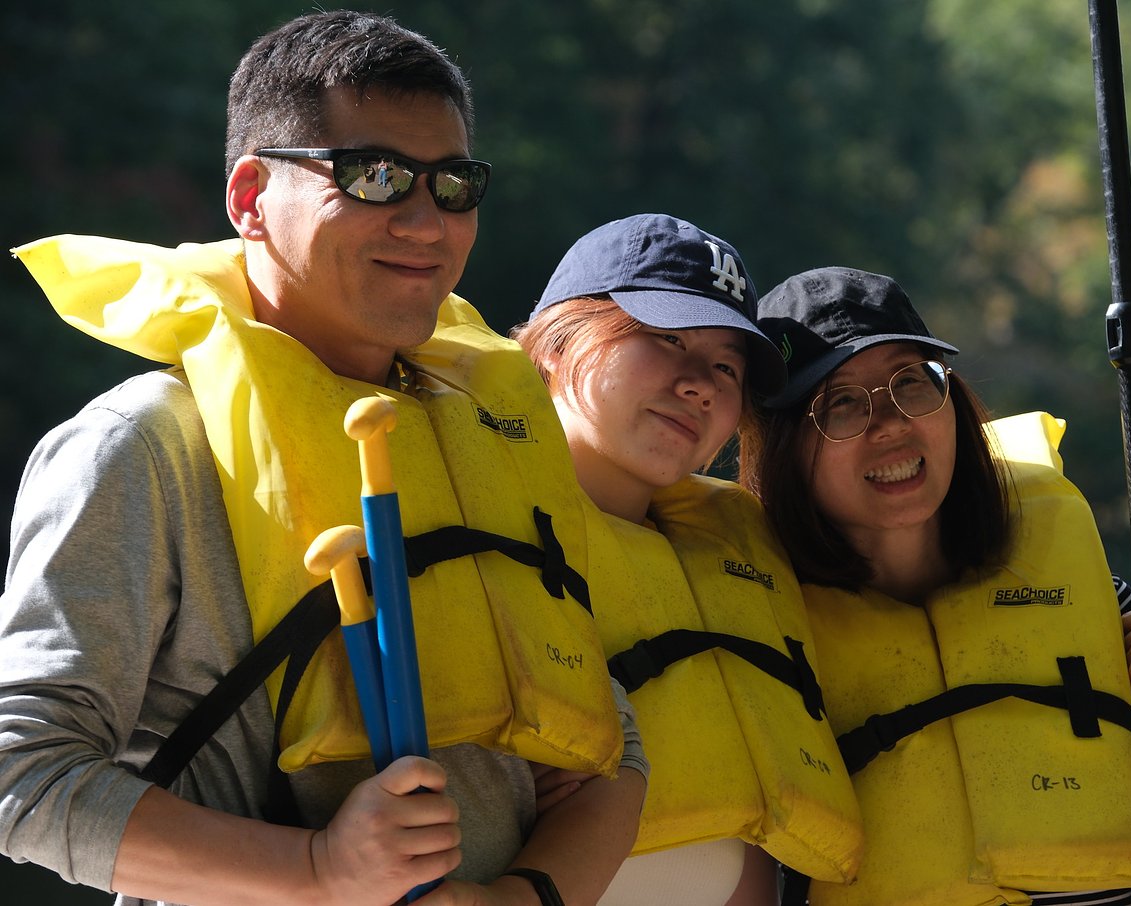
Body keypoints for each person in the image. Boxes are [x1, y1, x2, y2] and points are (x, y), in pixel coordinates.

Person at [1, 11, 647, 906]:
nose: (425, 221)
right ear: (249, 199)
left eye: (454, 183)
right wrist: (317, 871)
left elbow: (609, 749)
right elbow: (20, 780)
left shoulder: (491, 442)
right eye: (374, 176)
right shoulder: (138, 446)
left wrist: (520, 897)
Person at [739, 267, 1131, 906]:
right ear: (784, 449)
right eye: (840, 403)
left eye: (912, 382)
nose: (890, 424)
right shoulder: (765, 644)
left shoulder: (1101, 610)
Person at [511, 215, 864, 906]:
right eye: (666, 337)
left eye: (728, 367)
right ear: (555, 341)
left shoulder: (740, 556)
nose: (700, 384)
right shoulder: (461, 527)